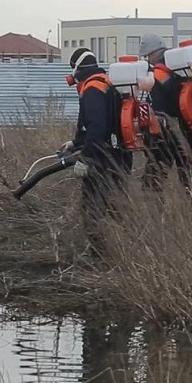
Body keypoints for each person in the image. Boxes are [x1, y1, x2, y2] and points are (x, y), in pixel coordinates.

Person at [62, 48, 133, 261]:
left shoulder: (92, 88)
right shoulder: (105, 82)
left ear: (76, 67)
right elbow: (101, 124)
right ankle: (122, 249)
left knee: (93, 207)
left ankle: (100, 256)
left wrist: (85, 159)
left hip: (102, 159)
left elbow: (97, 127)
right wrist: (76, 143)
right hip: (118, 155)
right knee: (115, 204)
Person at [138, 33, 192, 210]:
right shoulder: (183, 65)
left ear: (151, 52)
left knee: (151, 184)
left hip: (169, 134)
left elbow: (158, 111)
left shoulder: (159, 73)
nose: (148, 61)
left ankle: (154, 222)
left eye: (147, 57)